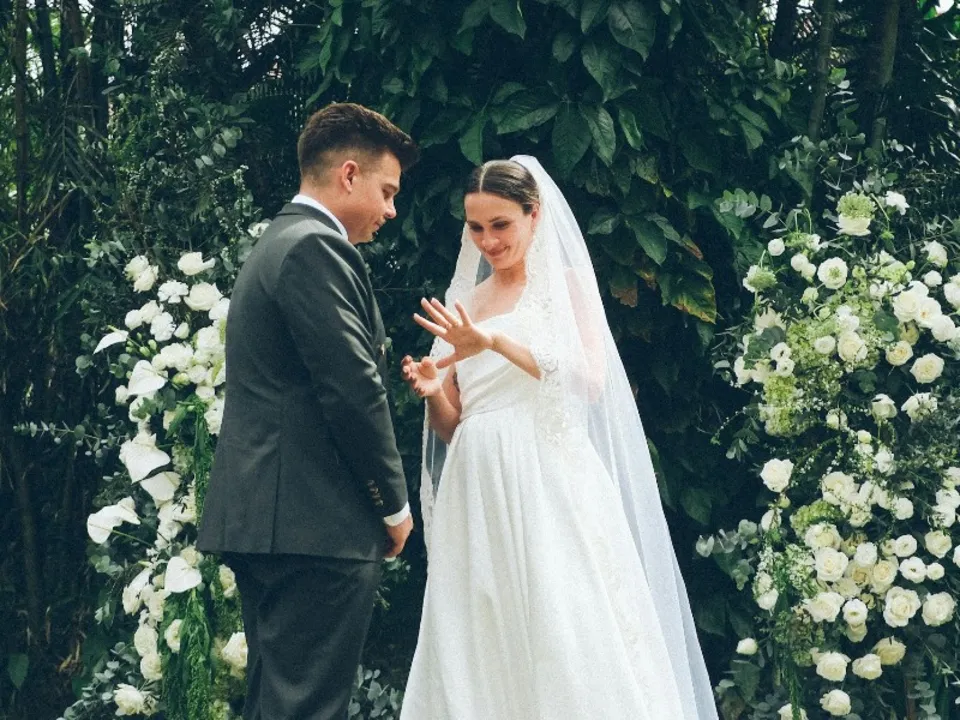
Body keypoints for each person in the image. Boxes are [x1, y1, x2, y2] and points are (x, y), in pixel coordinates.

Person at [399, 157, 719, 719]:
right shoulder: (465, 303)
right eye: (477, 227)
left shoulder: (565, 287)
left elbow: (590, 380)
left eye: (501, 224)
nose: (489, 241)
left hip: (547, 475)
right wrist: (432, 392)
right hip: (478, 484)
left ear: (534, 215)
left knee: (562, 621)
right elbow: (454, 425)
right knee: (481, 630)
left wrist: (494, 343)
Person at [197, 102, 418, 720]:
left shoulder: (281, 240)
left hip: (279, 522)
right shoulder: (315, 247)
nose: (391, 210)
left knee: (278, 703)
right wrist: (393, 505)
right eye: (387, 191)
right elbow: (352, 391)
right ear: (349, 175)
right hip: (314, 524)